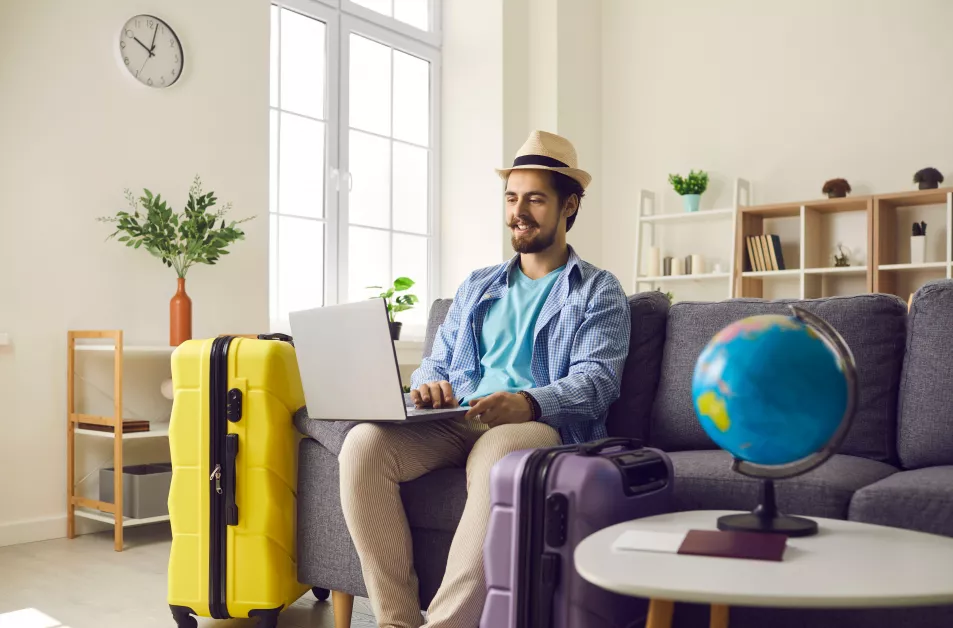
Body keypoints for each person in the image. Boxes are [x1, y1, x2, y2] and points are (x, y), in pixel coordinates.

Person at [338, 130, 631, 628]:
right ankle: (395, 621)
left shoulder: (597, 290)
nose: (518, 211)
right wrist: (429, 387)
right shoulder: (478, 285)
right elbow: (437, 361)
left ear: (569, 205)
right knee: (363, 445)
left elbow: (597, 381)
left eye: (535, 199)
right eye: (512, 197)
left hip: (538, 424)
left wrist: (528, 402)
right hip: (459, 418)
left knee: (497, 455)